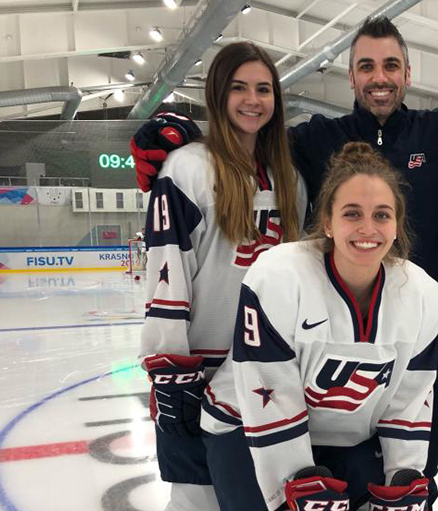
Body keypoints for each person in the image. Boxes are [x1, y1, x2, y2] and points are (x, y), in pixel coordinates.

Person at [132, 18, 438, 506]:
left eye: (390, 65)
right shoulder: (313, 143)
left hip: (403, 342)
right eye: (365, 66)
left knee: (408, 478)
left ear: (408, 73)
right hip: (261, 358)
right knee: (226, 489)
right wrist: (179, 139)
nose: (379, 76)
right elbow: (241, 137)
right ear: (350, 77)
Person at [201, 141, 438, 511]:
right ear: (328, 223)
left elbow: (410, 402)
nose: (368, 228)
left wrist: (404, 475)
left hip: (348, 437)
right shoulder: (279, 277)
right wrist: (295, 480)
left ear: (397, 225)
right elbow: (268, 391)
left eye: (382, 215)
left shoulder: (425, 297)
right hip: (246, 426)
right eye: (352, 213)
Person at [139, 42, 307, 511]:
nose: (252, 100)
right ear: (217, 94)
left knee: (262, 496)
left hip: (267, 373)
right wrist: (169, 368)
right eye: (239, 88)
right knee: (196, 499)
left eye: (263, 89)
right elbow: (168, 274)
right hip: (200, 369)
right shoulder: (187, 168)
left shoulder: (289, 178)